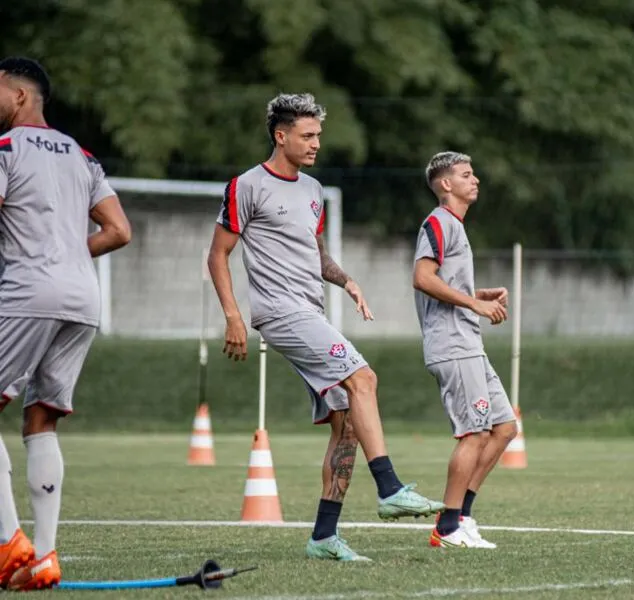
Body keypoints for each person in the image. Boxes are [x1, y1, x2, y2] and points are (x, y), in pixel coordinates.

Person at [207, 93, 444, 562]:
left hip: (311, 312)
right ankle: (390, 487)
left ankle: (323, 537)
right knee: (364, 378)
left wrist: (347, 280)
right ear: (281, 135)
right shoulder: (247, 186)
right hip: (279, 312)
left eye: (318, 134)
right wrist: (233, 316)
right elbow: (218, 255)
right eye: (308, 135)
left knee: (347, 424)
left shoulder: (314, 192)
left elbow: (315, 256)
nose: (317, 143)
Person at [0, 56, 132, 590]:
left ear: (20, 96)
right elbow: (119, 230)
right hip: (82, 296)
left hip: (30, 289)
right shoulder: (82, 155)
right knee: (41, 419)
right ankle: (45, 558)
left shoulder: (6, 151)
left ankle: (10, 545)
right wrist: (65, 254)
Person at [412, 151, 518, 549]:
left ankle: (461, 516)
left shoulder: (455, 226)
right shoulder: (439, 221)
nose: (475, 180)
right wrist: (475, 304)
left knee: (505, 427)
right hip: (452, 345)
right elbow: (422, 278)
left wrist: (477, 293)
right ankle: (447, 528)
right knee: (473, 433)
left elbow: (446, 284)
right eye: (466, 174)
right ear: (445, 184)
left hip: (468, 342)